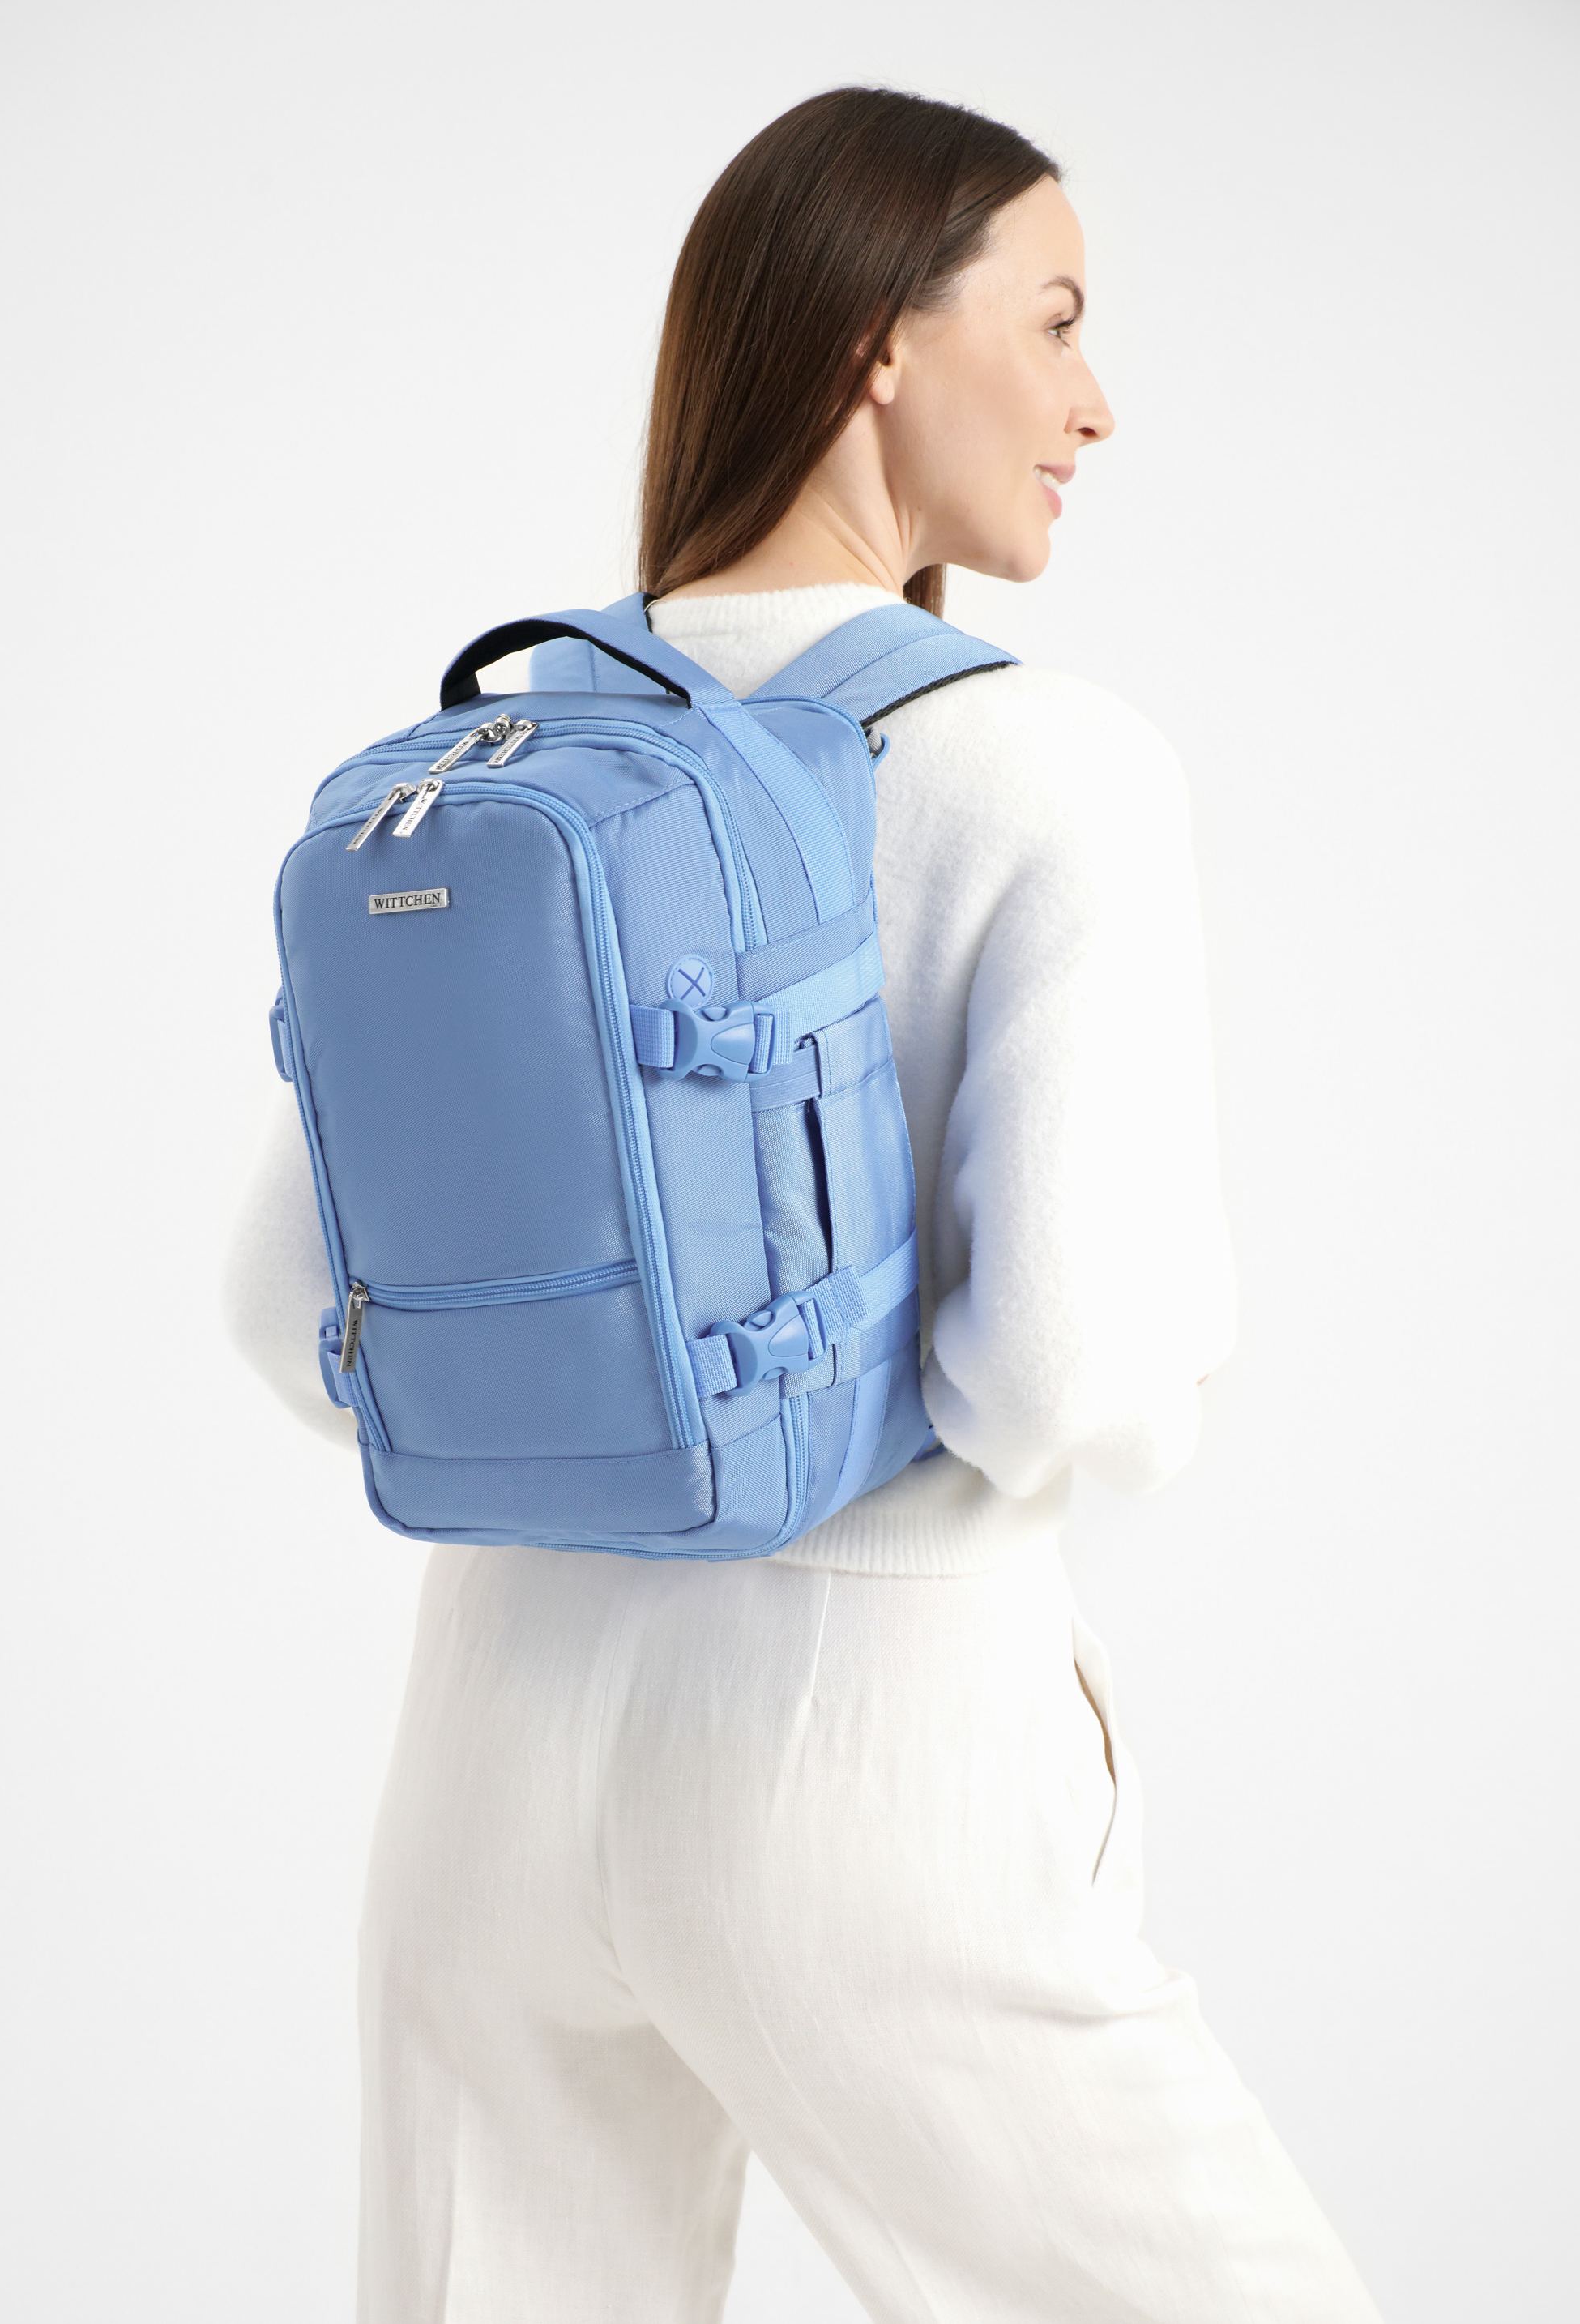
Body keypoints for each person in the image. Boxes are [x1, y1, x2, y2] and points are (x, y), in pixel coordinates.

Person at [230, 83, 1383, 2324]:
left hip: (487, 1757)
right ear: (881, 338)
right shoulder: (1048, 761)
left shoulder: (502, 753)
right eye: (1057, 320)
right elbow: (1064, 1370)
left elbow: (284, 1312)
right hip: (869, 1737)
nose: (1098, 403)